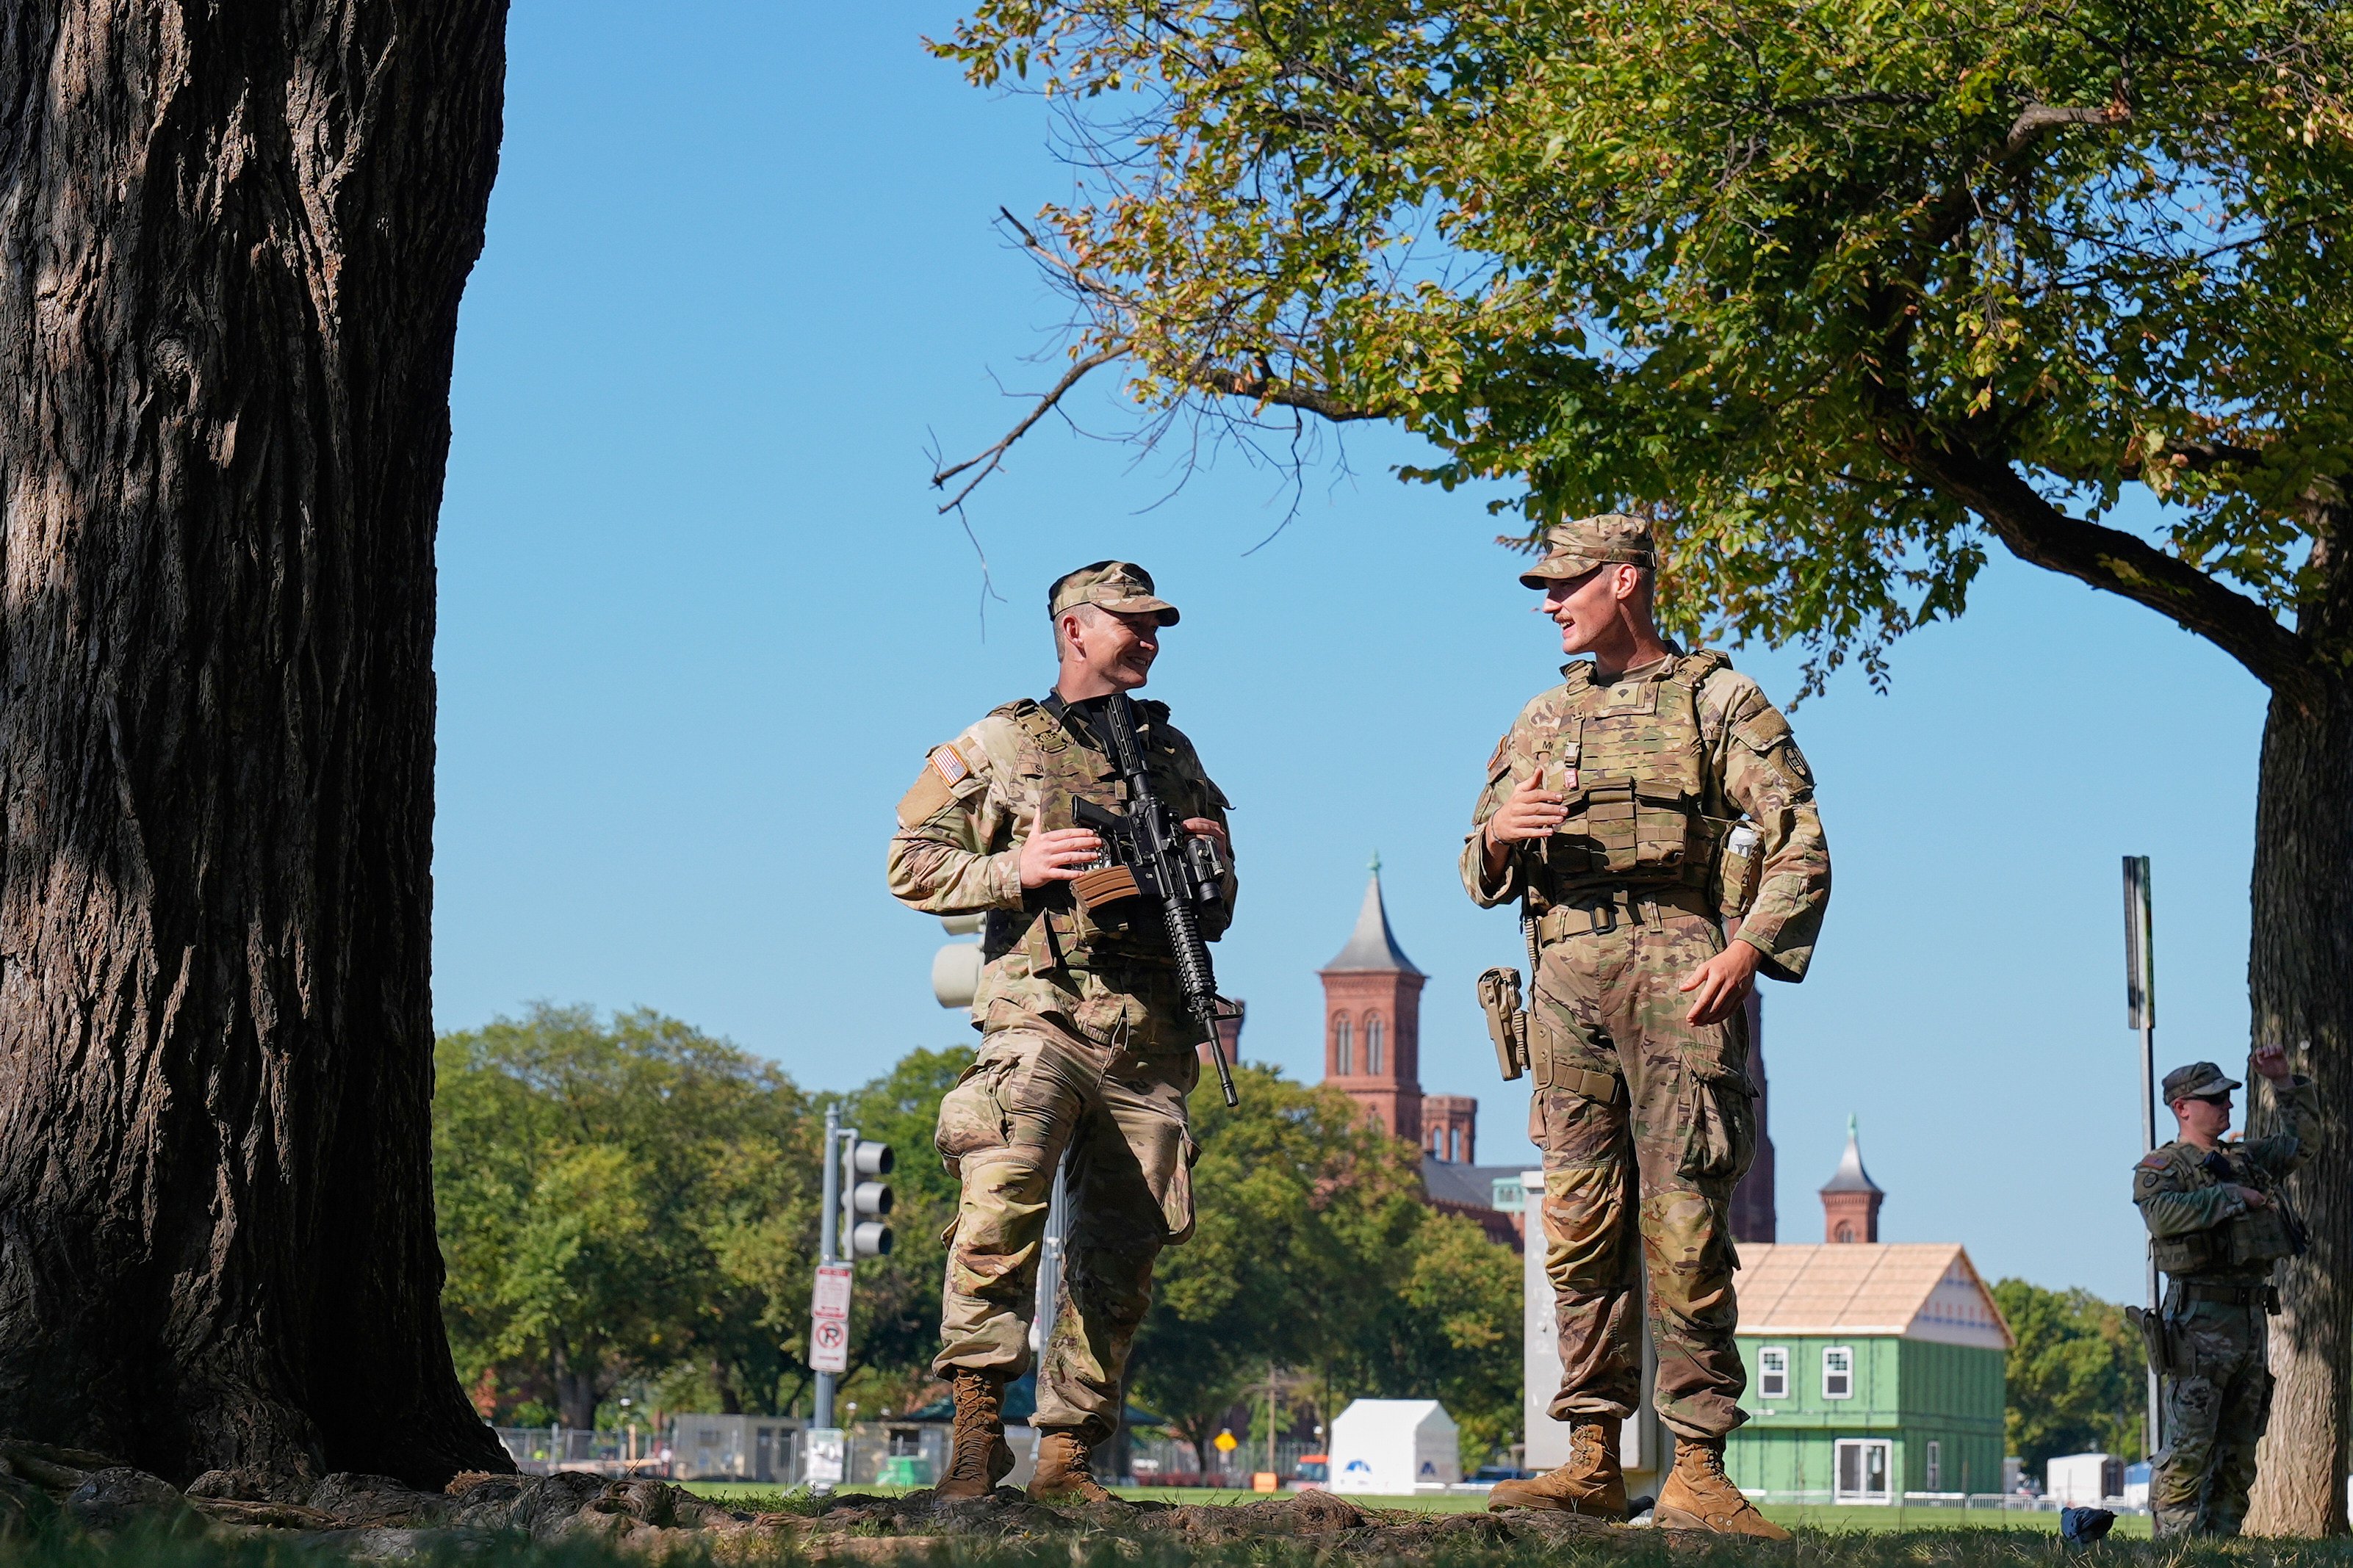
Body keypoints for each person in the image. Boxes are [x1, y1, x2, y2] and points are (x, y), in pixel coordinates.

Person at [1462, 513, 1830, 1536]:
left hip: (1679, 968)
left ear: (1623, 580)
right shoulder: (1539, 716)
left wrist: (1746, 949)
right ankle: (1587, 1456)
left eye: (1565, 582)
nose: (1549, 601)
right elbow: (1473, 863)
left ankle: (1698, 1468)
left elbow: (1796, 835)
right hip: (1564, 979)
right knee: (1576, 1222)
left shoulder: (1717, 699)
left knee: (1682, 1224)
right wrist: (1497, 835)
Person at [886, 560, 1236, 1505]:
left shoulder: (1173, 752)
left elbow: (1220, 902)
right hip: (1036, 1017)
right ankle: (971, 1442)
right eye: (1132, 622)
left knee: (1120, 1252)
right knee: (997, 1215)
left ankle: (1068, 1457)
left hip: (1149, 1034)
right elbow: (908, 862)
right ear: (1074, 629)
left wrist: (1207, 869)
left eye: (1158, 624)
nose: (1150, 639)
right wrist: (1020, 865)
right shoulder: (1002, 740)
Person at [2136, 1047, 2311, 1538]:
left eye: (2227, 1099)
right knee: (2191, 1441)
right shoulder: (2162, 1166)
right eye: (2213, 1099)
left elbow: (2303, 1143)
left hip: (2249, 1316)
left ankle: (2221, 1542)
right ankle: (2175, 1544)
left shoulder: (2244, 1158)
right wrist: (2230, 1198)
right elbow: (2161, 1214)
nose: (2225, 1108)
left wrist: (2282, 1083)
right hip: (2198, 1321)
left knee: (2239, 1444)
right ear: (2181, 1107)